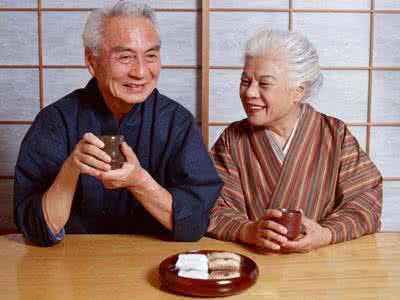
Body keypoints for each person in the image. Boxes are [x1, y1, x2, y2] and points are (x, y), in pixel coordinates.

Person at [14, 1, 222, 247]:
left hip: (154, 262)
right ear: (92, 62)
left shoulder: (176, 122)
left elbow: (195, 222)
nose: (141, 72)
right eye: (125, 57)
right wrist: (71, 167)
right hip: (70, 266)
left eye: (151, 56)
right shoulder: (56, 121)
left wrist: (139, 181)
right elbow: (36, 228)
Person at [207, 30, 382, 253]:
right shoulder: (233, 139)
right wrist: (248, 230)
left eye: (264, 84)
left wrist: (326, 234)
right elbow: (212, 204)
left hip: (321, 262)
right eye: (245, 81)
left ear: (298, 90)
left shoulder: (334, 135)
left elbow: (367, 199)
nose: (249, 92)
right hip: (254, 261)